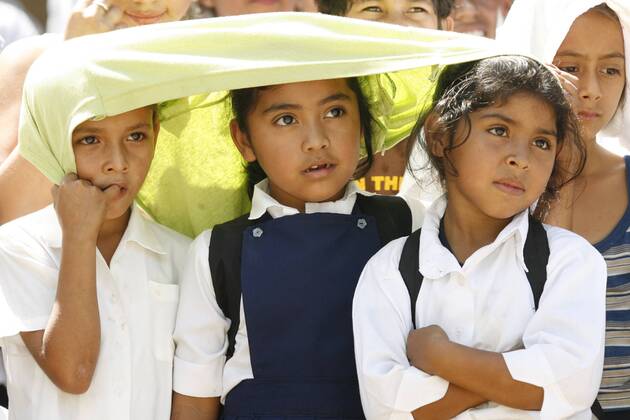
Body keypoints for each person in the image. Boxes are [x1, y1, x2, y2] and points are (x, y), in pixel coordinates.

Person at [352, 55, 607, 419]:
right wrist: (517, 378)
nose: (520, 158)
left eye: (541, 143)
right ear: (440, 135)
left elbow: (569, 386)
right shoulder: (390, 271)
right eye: (499, 130)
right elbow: (390, 410)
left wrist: (439, 356)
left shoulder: (571, 262)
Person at [169, 77, 424, 419]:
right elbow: (194, 403)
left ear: (362, 125)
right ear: (243, 140)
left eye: (335, 112)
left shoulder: (409, 225)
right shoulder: (216, 252)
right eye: (286, 119)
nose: (316, 141)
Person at [0, 105, 191, 419]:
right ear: (54, 142)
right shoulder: (20, 246)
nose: (117, 163)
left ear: (155, 133)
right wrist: (78, 236)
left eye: (136, 136)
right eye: (90, 140)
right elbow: (74, 373)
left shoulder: (183, 256)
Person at [499, 1, 630, 418]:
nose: (590, 88)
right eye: (569, 67)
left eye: (611, 69)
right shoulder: (491, 192)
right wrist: (563, 160)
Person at [0, 0, 192, 223]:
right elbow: (6, 214)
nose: (147, 2)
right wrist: (70, 67)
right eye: (90, 139)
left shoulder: (216, 71)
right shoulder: (32, 63)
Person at [317, 0, 455, 196]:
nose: (395, 25)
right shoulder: (306, 105)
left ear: (446, 29)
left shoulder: (462, 114)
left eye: (417, 10)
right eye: (372, 8)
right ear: (332, 24)